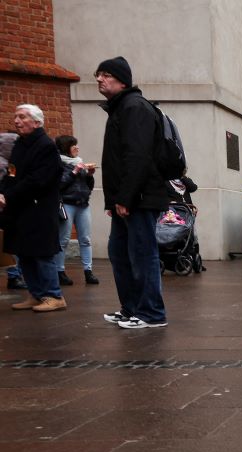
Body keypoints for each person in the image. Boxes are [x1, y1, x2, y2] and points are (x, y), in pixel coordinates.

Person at [96, 56, 170, 328]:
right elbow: (116, 161)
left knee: (142, 254)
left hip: (140, 197)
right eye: (98, 75)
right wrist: (112, 200)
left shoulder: (134, 107)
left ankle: (152, 313)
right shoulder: (120, 108)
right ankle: (131, 309)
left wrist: (125, 198)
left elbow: (137, 157)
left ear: (122, 79)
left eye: (105, 75)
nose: (99, 80)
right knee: (120, 253)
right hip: (128, 198)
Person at [0, 104, 66, 312]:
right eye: (16, 117)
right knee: (24, 252)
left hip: (39, 209)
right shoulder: (21, 144)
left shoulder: (45, 146)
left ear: (36, 122)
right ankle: (36, 294)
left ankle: (54, 295)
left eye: (22, 117)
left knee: (41, 253)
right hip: (21, 208)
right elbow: (12, 173)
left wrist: (9, 194)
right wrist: (3, 192)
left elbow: (37, 180)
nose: (17, 121)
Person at [54, 135, 99, 285]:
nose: (77, 148)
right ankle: (60, 272)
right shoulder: (58, 163)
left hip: (83, 205)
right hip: (67, 204)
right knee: (64, 240)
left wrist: (90, 176)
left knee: (85, 239)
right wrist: (74, 172)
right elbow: (59, 185)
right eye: (74, 145)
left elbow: (88, 187)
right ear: (66, 147)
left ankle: (88, 271)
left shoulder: (79, 162)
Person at [0, 131, 27, 291]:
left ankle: (15, 275)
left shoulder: (11, 165)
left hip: (9, 210)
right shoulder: (4, 165)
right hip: (4, 210)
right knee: (10, 243)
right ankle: (14, 276)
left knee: (12, 243)